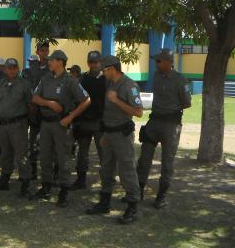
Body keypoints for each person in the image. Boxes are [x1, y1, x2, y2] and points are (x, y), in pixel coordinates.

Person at [86, 55, 143, 224]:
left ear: (112, 69)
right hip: (109, 133)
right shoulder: (110, 84)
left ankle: (133, 207)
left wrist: (116, 100)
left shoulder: (129, 85)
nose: (102, 73)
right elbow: (108, 112)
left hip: (122, 135)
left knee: (127, 170)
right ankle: (105, 202)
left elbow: (138, 112)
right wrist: (105, 134)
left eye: (104, 70)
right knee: (106, 169)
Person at [31, 50, 91, 207]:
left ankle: (64, 191)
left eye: (51, 60)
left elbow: (86, 100)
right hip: (45, 124)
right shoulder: (46, 79)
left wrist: (70, 117)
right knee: (44, 156)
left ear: (60, 62)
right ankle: (46, 188)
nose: (48, 62)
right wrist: (49, 103)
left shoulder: (70, 80)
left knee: (63, 158)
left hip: (61, 125)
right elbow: (35, 97)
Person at [136, 48, 191, 209]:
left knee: (167, 162)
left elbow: (187, 103)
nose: (156, 63)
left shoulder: (180, 80)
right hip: (154, 122)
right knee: (144, 158)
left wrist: (170, 109)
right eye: (156, 61)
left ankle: (161, 196)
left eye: (159, 61)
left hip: (170, 125)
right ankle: (138, 191)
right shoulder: (156, 76)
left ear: (168, 62)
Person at [0, 58, 34, 198]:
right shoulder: (2, 83)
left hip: (18, 124)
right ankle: (5, 179)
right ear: (5, 69)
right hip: (4, 125)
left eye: (14, 67)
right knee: (6, 154)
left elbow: (31, 105)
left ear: (18, 69)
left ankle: (26, 182)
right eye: (9, 68)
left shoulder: (25, 84)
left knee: (21, 155)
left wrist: (29, 122)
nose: (12, 70)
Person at [70, 51, 106, 190]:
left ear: (100, 62)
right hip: (84, 121)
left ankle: (107, 180)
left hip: (100, 122)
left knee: (104, 154)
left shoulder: (106, 79)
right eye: (91, 62)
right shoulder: (83, 79)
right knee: (82, 153)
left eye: (96, 62)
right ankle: (81, 179)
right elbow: (76, 99)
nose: (93, 64)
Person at [22, 42, 51, 179]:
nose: (44, 53)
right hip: (32, 110)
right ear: (37, 52)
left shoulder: (51, 69)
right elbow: (25, 88)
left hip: (46, 110)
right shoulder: (29, 70)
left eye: (46, 50)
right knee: (32, 141)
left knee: (48, 143)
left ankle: (50, 173)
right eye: (42, 50)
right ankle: (32, 170)